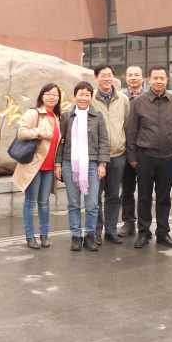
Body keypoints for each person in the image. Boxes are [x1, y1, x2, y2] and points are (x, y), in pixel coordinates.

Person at [126, 65, 172, 249]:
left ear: (167, 80)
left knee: (164, 198)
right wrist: (132, 157)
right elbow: (132, 131)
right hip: (145, 156)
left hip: (167, 157)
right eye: (155, 78)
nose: (159, 81)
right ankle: (143, 233)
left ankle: (163, 233)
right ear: (149, 80)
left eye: (162, 78)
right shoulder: (139, 102)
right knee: (144, 197)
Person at [55, 81, 109, 251]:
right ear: (75, 96)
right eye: (81, 94)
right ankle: (76, 236)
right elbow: (60, 142)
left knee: (92, 204)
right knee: (73, 204)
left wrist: (102, 163)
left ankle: (90, 235)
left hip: (92, 165)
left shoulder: (98, 116)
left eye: (87, 95)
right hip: (69, 164)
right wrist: (58, 163)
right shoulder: (67, 116)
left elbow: (103, 141)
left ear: (91, 97)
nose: (84, 98)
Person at [11, 83, 62, 250]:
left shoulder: (57, 117)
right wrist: (40, 132)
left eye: (55, 94)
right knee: (30, 202)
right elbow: (21, 132)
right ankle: (30, 236)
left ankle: (44, 235)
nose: (52, 97)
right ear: (42, 96)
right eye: (48, 94)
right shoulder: (33, 113)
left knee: (44, 202)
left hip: (49, 169)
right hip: (33, 167)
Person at [92, 64, 130, 245]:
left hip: (117, 154)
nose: (107, 78)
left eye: (109, 75)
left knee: (113, 196)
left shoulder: (123, 99)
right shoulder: (90, 98)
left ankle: (111, 230)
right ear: (96, 78)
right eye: (103, 75)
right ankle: (96, 231)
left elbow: (126, 124)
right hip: (95, 157)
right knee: (95, 196)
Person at [118, 65, 144, 237]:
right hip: (125, 150)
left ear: (143, 77)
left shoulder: (149, 97)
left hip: (144, 151)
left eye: (137, 75)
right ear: (125, 78)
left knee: (144, 191)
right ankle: (128, 222)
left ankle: (144, 224)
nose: (133, 78)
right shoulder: (120, 99)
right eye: (130, 75)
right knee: (127, 190)